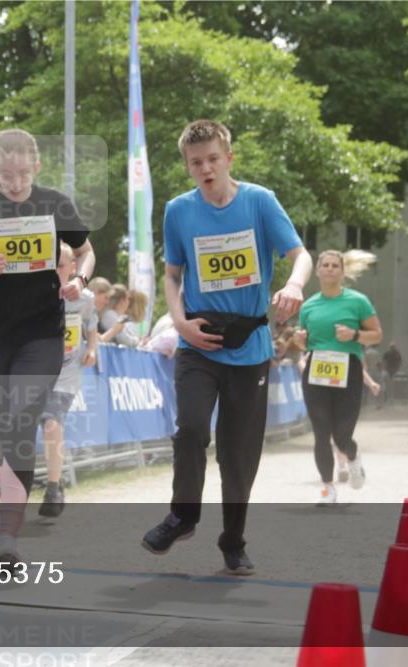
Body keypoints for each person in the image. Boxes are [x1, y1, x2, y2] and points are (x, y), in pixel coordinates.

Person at [142, 119, 312, 575]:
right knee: (192, 430)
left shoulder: (259, 201)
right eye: (196, 163)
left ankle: (233, 539)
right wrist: (180, 323)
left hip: (250, 346)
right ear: (187, 166)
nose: (206, 168)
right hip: (197, 341)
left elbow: (300, 255)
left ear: (229, 158)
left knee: (238, 455)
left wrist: (294, 284)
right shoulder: (179, 210)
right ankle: (183, 516)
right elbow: (173, 274)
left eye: (213, 159)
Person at [0, 128, 95, 566]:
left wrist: (78, 281)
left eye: (22, 173)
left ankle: (7, 536)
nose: (14, 183)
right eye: (5, 175)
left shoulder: (53, 202)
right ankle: (6, 453)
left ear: (36, 167)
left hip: (41, 334)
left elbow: (85, 251)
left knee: (22, 424)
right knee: (8, 432)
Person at [296, 250, 383, 506]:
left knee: (342, 435)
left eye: (335, 265)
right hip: (317, 372)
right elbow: (305, 340)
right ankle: (327, 487)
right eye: (326, 265)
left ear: (342, 272)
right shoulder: (309, 305)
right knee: (321, 433)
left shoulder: (358, 301)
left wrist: (354, 336)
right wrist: (301, 340)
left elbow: (377, 334)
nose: (330, 269)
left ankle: (353, 458)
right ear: (319, 271)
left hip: (349, 371)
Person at [38, 243, 99, 518]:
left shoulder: (84, 299)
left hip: (66, 372)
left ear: (73, 267)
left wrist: (92, 349)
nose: (55, 271)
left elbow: (91, 326)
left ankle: (53, 487)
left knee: (51, 423)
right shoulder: (33, 295)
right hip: (35, 370)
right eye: (50, 265)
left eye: (60, 265)